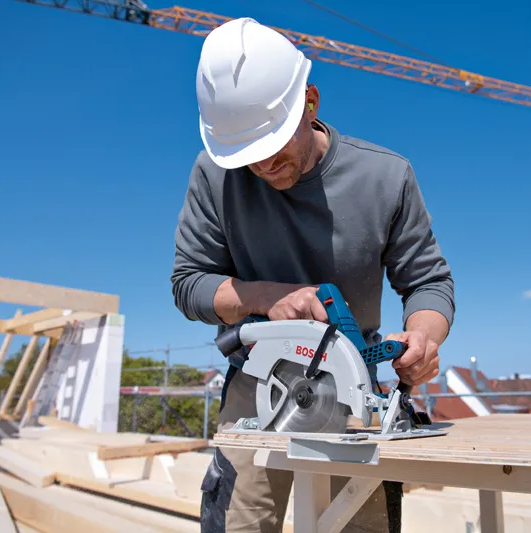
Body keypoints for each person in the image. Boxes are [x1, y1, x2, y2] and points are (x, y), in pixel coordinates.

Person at [171, 16, 455, 533]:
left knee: (359, 523)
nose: (263, 168)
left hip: (355, 386)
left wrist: (423, 337)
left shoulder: (385, 176)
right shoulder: (216, 174)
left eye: (275, 148)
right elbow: (189, 283)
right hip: (258, 381)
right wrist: (268, 297)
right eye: (249, 158)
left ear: (311, 103)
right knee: (240, 522)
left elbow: (428, 282)